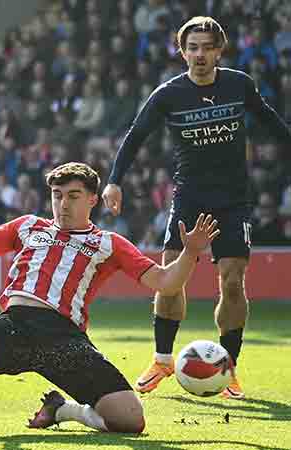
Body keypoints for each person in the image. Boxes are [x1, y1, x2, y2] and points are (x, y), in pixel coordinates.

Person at [0, 162, 219, 437]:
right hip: (16, 324)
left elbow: (166, 282)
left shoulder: (108, 243)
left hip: (65, 339)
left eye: (73, 196)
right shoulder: (28, 226)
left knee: (130, 421)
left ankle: (63, 411)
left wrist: (189, 254)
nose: (63, 204)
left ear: (93, 200)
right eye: (57, 196)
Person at [102, 16, 291, 400]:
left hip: (234, 199)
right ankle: (162, 359)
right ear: (182, 51)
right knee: (172, 276)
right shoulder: (168, 94)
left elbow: (271, 122)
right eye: (193, 47)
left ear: (219, 50)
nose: (199, 54)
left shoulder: (239, 85)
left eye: (207, 47)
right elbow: (136, 136)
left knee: (233, 282)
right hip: (190, 197)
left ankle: (228, 368)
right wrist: (114, 179)